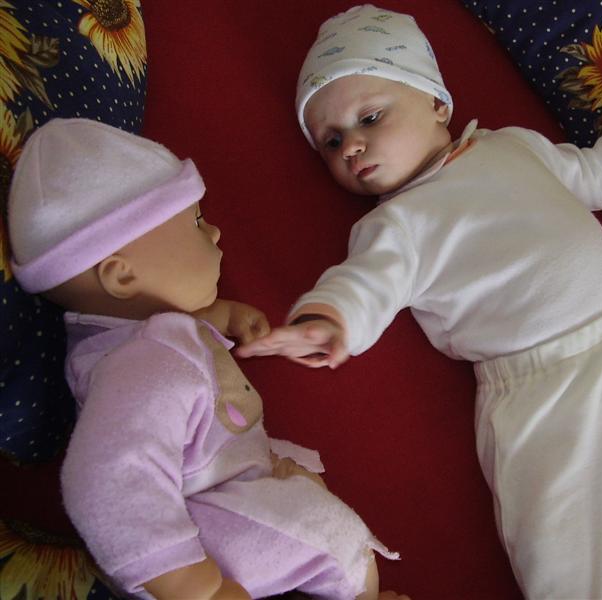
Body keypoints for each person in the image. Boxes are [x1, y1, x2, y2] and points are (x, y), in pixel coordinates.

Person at [237, 5, 602, 599]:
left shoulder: (512, 146)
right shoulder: (397, 223)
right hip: (553, 399)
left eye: (370, 117)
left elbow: (593, 178)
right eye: (331, 142)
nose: (351, 146)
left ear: (437, 103)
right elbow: (367, 283)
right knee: (568, 572)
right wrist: (328, 319)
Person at [6, 118, 409, 600]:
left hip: (216, 498)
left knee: (306, 495)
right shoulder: (141, 366)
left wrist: (221, 316)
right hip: (190, 539)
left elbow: (164, 325)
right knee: (334, 536)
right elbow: (107, 479)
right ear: (122, 276)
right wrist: (190, 584)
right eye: (195, 222)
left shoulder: (130, 339)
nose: (215, 233)